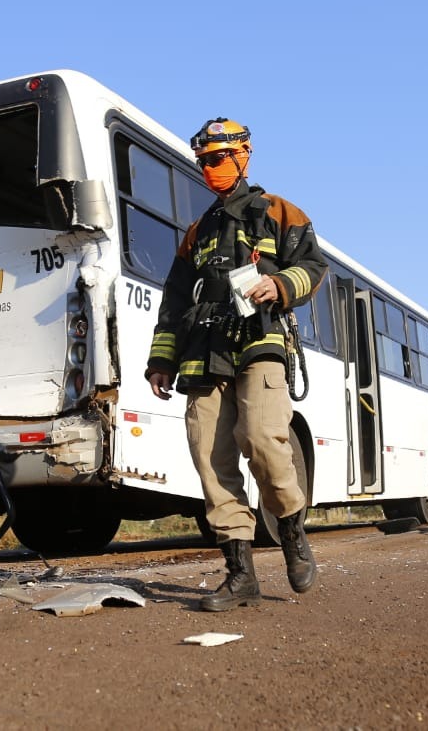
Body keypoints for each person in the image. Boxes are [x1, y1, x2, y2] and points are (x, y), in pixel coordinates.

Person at [145, 117, 327, 612]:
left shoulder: (279, 212)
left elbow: (314, 267)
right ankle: (240, 574)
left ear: (244, 155)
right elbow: (174, 299)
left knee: (263, 440)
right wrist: (162, 359)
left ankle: (292, 534)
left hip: (259, 343)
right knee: (211, 460)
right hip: (202, 352)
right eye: (204, 161)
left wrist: (280, 284)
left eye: (219, 158)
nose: (210, 168)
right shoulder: (197, 232)